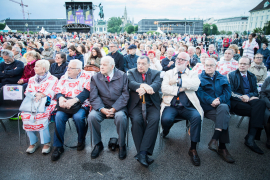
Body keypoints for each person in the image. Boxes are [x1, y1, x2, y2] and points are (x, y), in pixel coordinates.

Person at [161, 52, 204, 166]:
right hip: (171, 105)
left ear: (187, 62)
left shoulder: (193, 73)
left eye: (182, 59)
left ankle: (193, 149)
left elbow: (195, 85)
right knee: (165, 120)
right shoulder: (169, 73)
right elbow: (164, 88)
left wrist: (178, 82)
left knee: (197, 117)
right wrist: (180, 89)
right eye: (178, 58)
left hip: (187, 106)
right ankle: (166, 130)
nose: (179, 61)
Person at [88, 56, 129, 160]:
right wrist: (101, 109)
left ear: (112, 66)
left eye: (104, 65)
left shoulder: (123, 76)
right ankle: (98, 144)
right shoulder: (95, 77)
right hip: (102, 106)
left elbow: (125, 95)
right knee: (92, 116)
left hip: (119, 107)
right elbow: (93, 96)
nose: (101, 67)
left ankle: (121, 144)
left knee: (121, 117)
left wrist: (114, 109)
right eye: (101, 64)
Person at [51, 60, 92, 161]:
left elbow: (87, 92)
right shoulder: (65, 76)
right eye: (68, 67)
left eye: (71, 68)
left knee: (78, 117)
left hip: (81, 103)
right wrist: (60, 98)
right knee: (59, 117)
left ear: (79, 70)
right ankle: (58, 146)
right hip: (65, 102)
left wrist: (74, 100)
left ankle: (81, 141)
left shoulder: (87, 76)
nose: (67, 69)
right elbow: (58, 89)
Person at [196, 58, 235, 163]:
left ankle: (215, 140)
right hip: (208, 108)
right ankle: (222, 148)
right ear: (204, 66)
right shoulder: (199, 78)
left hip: (221, 105)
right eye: (207, 65)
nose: (209, 67)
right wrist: (211, 100)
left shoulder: (222, 77)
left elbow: (228, 92)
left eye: (211, 65)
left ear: (216, 67)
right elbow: (200, 93)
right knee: (224, 118)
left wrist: (219, 100)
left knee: (224, 108)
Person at [127, 56, 161, 167]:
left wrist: (146, 88)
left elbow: (156, 85)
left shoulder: (156, 73)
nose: (140, 66)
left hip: (151, 104)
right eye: (138, 63)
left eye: (143, 63)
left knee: (154, 120)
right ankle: (143, 153)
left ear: (149, 64)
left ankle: (142, 153)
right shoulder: (131, 72)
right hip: (136, 104)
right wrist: (143, 85)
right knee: (136, 120)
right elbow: (131, 83)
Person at [228, 56, 266, 154]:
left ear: (249, 65)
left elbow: (255, 91)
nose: (242, 65)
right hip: (236, 101)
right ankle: (251, 138)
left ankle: (250, 138)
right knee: (258, 110)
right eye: (240, 63)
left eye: (244, 64)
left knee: (261, 103)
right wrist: (242, 97)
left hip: (249, 99)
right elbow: (230, 92)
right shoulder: (231, 75)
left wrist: (248, 96)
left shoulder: (252, 76)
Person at [21, 60, 58, 154]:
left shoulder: (53, 79)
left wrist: (42, 95)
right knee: (25, 116)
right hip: (32, 102)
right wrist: (35, 95)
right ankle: (33, 142)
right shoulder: (31, 79)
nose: (34, 68)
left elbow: (53, 91)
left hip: (47, 102)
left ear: (43, 69)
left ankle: (46, 143)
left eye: (37, 66)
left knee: (41, 116)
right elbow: (28, 91)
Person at [259, 76, 270, 149]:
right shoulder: (268, 79)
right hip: (268, 102)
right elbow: (262, 93)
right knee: (267, 115)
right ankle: (269, 136)